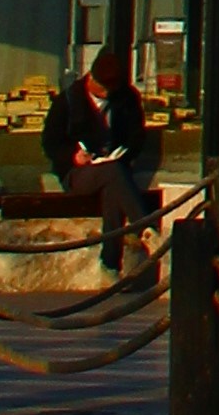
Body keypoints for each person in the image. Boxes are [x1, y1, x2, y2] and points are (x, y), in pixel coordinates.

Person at [42, 46, 160, 275]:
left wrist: (124, 152)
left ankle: (109, 265)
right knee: (114, 172)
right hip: (78, 173)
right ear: (91, 80)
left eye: (111, 90)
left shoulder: (126, 98)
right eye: (103, 90)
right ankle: (145, 228)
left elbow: (137, 136)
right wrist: (72, 155)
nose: (107, 94)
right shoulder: (67, 101)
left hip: (113, 171)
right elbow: (50, 142)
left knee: (112, 190)